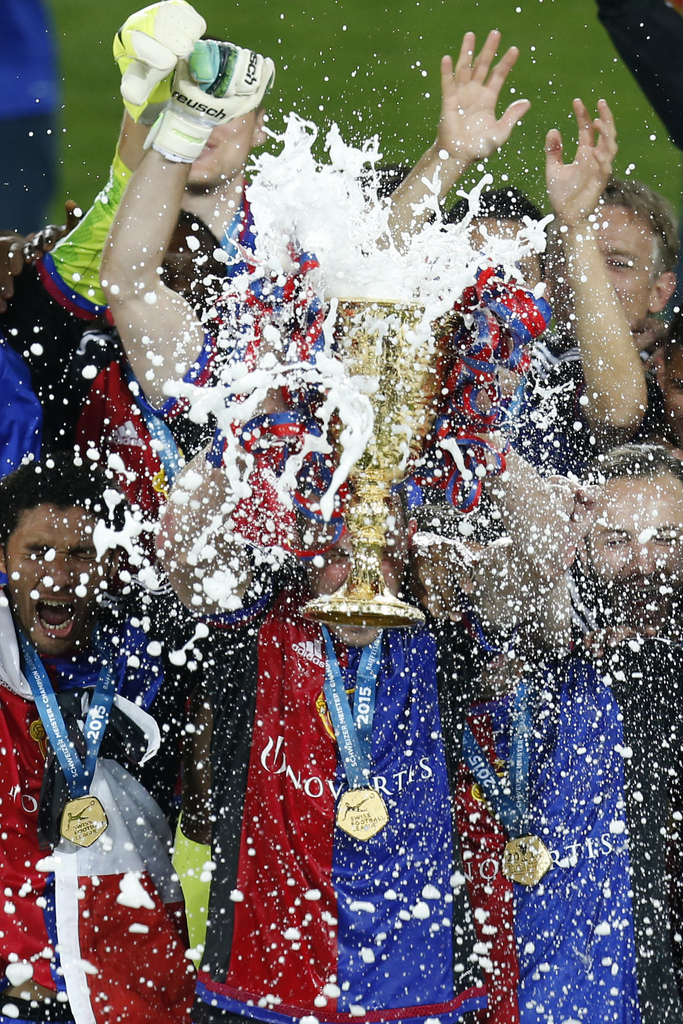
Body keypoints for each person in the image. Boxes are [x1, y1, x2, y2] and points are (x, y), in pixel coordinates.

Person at [450, 443, 683, 1023]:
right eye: (616, 541)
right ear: (582, 549)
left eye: (666, 539)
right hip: (548, 977)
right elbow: (498, 604)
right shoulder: (545, 664)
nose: (645, 561)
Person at [0, 453, 196, 1023]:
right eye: (36, 553)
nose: (59, 575)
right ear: (2, 559)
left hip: (124, 987)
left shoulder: (157, 663)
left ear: (110, 562)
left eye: (80, 553)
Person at [511, 100, 679, 478]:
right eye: (579, 257)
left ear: (660, 292)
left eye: (618, 264)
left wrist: (577, 226)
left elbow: (619, 410)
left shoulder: (669, 367)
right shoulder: (526, 357)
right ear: (551, 279)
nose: (595, 280)